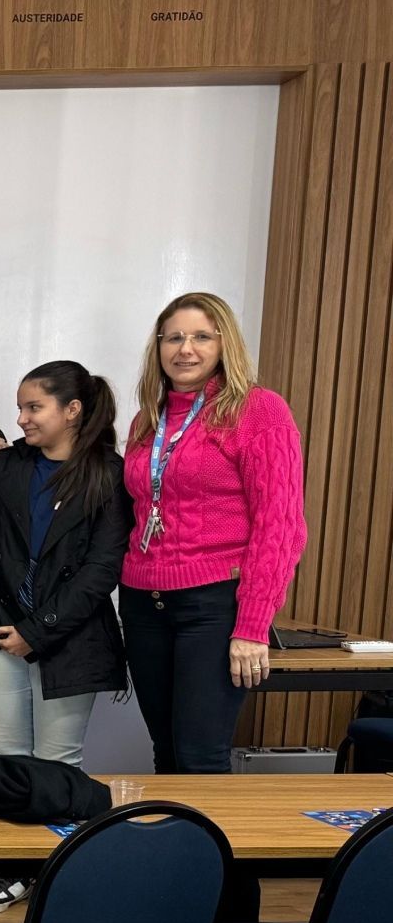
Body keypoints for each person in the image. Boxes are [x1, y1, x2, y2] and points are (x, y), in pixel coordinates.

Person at [0, 361, 131, 915]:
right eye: (22, 407)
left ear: (71, 410)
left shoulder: (108, 473)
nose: (22, 418)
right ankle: (9, 865)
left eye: (34, 407)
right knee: (3, 755)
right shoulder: (7, 465)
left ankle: (50, 873)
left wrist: (37, 631)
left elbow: (102, 571)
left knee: (58, 763)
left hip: (70, 641)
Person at [120, 292, 307, 772]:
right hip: (143, 602)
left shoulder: (258, 411)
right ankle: (176, 850)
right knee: (165, 753)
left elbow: (281, 526)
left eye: (202, 336)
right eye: (174, 337)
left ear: (225, 345)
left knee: (200, 757)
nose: (186, 348)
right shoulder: (147, 420)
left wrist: (252, 625)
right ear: (158, 347)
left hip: (214, 605)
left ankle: (209, 850)